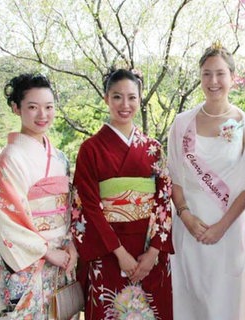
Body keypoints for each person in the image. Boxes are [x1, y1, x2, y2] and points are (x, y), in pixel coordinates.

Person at [167, 42, 245, 320]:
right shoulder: (182, 123)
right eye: (207, 74)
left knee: (227, 302)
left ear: (232, 78)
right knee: (190, 300)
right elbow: (174, 175)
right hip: (189, 226)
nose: (213, 81)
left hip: (229, 227)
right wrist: (185, 216)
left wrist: (221, 227)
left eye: (220, 73)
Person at [72, 68, 173, 319]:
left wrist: (153, 253)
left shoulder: (153, 149)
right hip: (108, 250)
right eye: (117, 97)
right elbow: (88, 207)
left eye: (132, 97)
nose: (125, 104)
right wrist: (119, 253)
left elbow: (163, 201)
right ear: (106, 98)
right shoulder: (90, 149)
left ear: (140, 100)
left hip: (148, 251)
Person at [0, 73, 77, 319]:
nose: (43, 115)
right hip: (27, 261)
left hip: (62, 257)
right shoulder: (10, 159)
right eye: (33, 107)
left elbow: (70, 207)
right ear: (16, 108)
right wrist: (47, 252)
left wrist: (71, 244)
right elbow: (7, 217)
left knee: (60, 313)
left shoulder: (59, 157)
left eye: (49, 107)